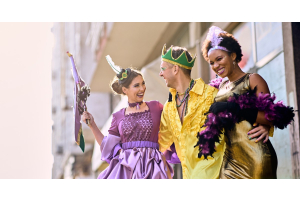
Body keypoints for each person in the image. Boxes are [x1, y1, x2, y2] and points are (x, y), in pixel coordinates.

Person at [158, 44, 272, 179]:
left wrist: (266, 125)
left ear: (175, 69)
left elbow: (243, 114)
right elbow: (160, 141)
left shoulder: (213, 95)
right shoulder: (168, 106)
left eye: (163, 69)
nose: (160, 73)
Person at [198, 26, 294, 179]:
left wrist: (235, 109)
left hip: (256, 156)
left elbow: (273, 116)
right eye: (211, 63)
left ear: (233, 55)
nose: (216, 66)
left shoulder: (252, 79)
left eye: (219, 59)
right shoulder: (219, 87)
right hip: (230, 161)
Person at [82, 57, 173, 179]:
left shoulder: (156, 107)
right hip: (127, 169)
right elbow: (107, 146)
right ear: (125, 90)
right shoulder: (118, 116)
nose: (142, 89)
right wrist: (92, 124)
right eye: (136, 85)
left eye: (143, 83)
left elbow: (173, 126)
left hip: (153, 168)